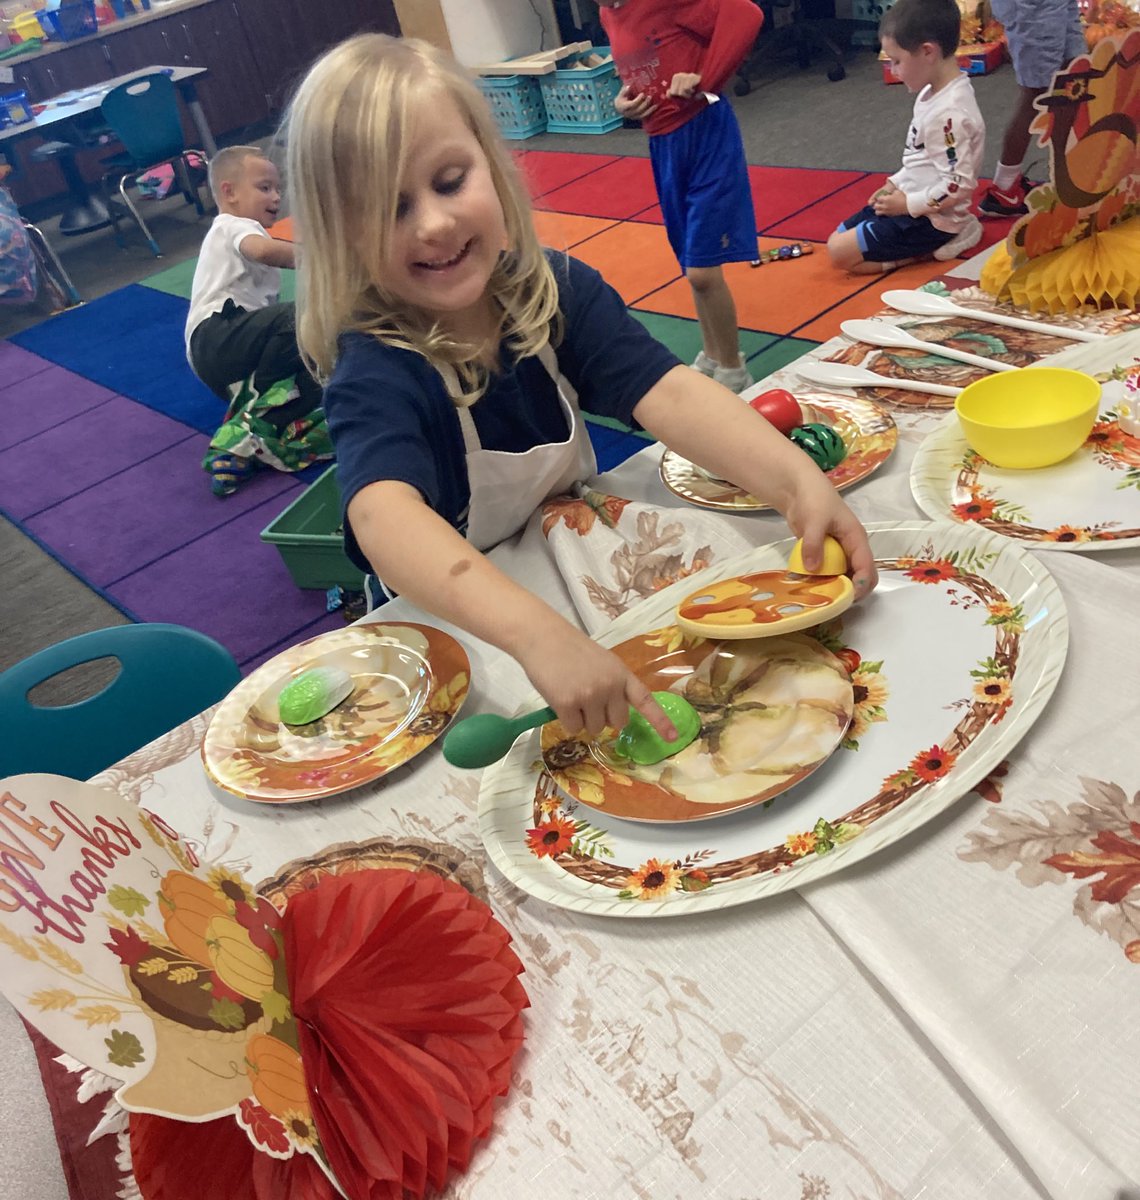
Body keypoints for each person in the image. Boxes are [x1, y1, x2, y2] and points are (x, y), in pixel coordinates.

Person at [285, 33, 876, 744]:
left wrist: (793, 483)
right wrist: (536, 637)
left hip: (570, 566)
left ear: (492, 164)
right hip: (463, 625)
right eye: (389, 209)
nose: (434, 224)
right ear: (337, 235)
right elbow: (382, 521)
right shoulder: (375, 364)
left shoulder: (551, 289)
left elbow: (670, 393)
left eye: (448, 182)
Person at [598, 0, 763, 393]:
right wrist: (623, 103)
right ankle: (711, 354)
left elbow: (745, 15)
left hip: (705, 132)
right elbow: (640, 62)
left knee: (702, 269)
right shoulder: (608, 12)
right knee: (690, 259)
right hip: (663, 144)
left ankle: (733, 370)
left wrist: (706, 79)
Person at [185, 146, 329, 495]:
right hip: (216, 335)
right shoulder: (232, 225)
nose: (276, 197)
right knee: (303, 320)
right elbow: (264, 252)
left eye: (278, 189)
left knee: (320, 370)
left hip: (231, 356)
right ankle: (257, 413)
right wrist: (324, 255)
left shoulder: (245, 228)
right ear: (229, 192)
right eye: (265, 188)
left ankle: (246, 437)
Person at [827, 0, 985, 275]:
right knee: (836, 239)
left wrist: (907, 204)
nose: (894, 70)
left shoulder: (949, 115)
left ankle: (948, 238)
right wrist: (894, 183)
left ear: (927, 52)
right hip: (913, 203)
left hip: (932, 220)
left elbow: (956, 185)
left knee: (840, 254)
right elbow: (920, 159)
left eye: (897, 61)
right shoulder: (930, 94)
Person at [978, 0, 1085, 218]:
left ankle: (1065, 177)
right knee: (1036, 93)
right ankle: (1004, 189)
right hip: (1033, 7)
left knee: (1074, 78)